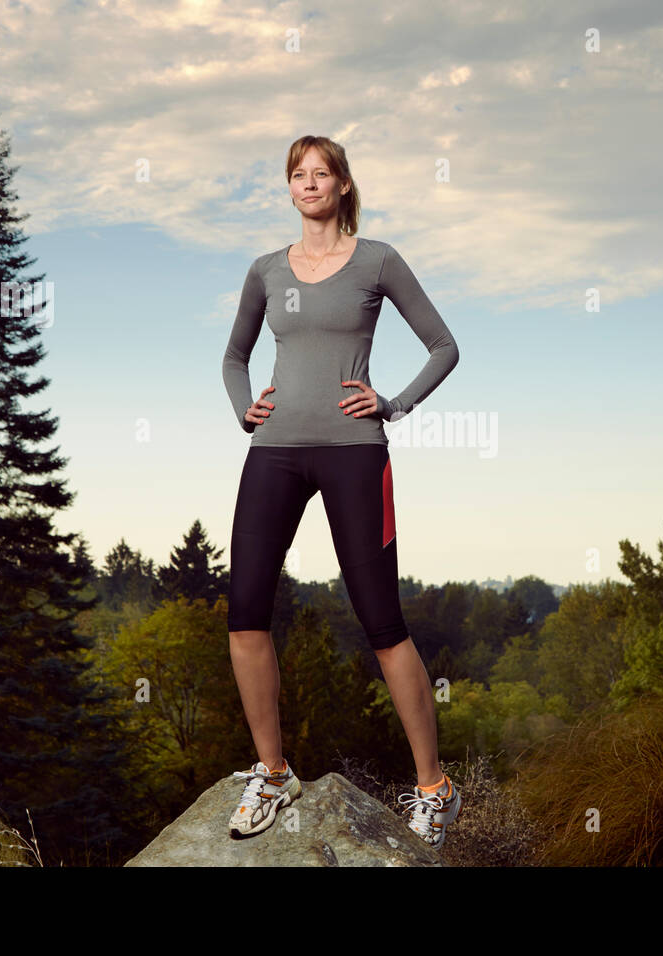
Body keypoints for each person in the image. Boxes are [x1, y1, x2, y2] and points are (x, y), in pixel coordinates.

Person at [220, 135, 462, 850]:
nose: (310, 183)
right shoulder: (265, 271)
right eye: (299, 174)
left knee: (382, 622)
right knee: (244, 615)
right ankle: (273, 773)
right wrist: (244, 408)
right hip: (274, 454)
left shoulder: (378, 260)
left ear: (344, 185)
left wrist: (394, 404)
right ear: (289, 188)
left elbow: (443, 345)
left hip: (356, 454)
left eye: (322, 172)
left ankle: (433, 788)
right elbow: (235, 356)